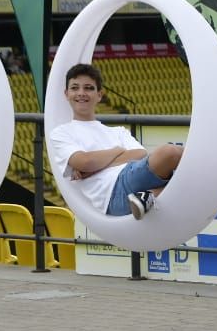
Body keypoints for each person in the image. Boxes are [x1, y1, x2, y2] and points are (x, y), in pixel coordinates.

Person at [49, 63, 181, 220]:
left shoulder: (118, 130)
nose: (81, 93)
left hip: (132, 180)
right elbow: (85, 161)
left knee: (186, 180)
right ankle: (152, 194)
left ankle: (148, 196)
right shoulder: (61, 132)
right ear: (66, 94)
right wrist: (118, 150)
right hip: (112, 194)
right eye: (75, 88)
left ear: (99, 95)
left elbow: (140, 154)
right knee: (170, 152)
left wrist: (93, 169)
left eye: (89, 88)